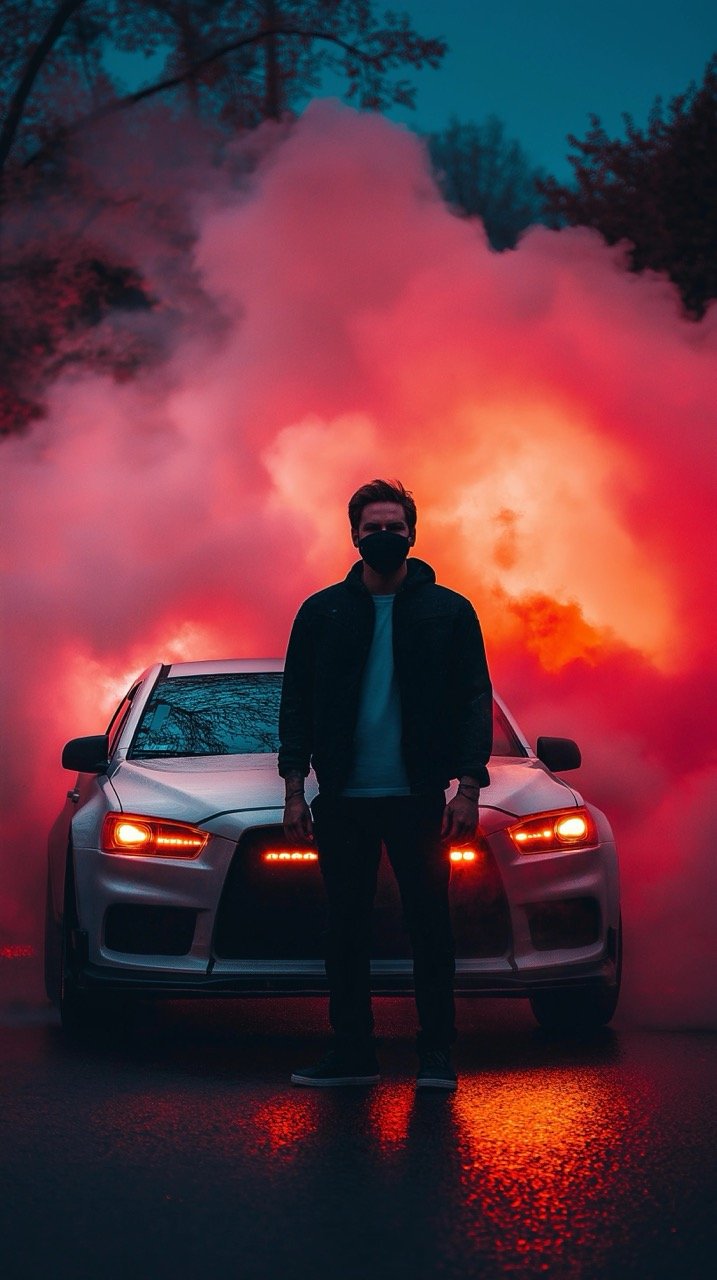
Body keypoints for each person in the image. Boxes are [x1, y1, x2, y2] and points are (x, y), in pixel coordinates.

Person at [278, 479, 492, 1090]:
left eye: (394, 528)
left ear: (412, 534)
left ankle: (436, 1055)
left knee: (430, 926)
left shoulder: (449, 610)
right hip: (343, 799)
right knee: (344, 930)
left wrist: (469, 787)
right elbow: (296, 703)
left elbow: (474, 698)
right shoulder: (323, 612)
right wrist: (295, 788)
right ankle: (353, 1053)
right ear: (354, 536)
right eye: (372, 529)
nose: (383, 538)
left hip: (419, 797)